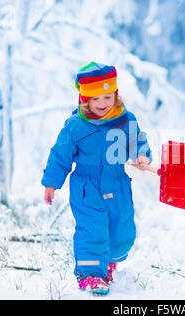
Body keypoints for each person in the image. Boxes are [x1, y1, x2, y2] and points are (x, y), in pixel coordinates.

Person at [41, 62, 152, 295]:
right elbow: (60, 154)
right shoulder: (75, 125)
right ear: (85, 99)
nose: (102, 104)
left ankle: (108, 265)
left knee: (122, 227)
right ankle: (90, 275)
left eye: (107, 97)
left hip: (118, 183)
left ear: (115, 95)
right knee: (93, 229)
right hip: (87, 186)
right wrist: (52, 183)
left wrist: (142, 156)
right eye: (95, 99)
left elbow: (137, 141)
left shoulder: (125, 120)